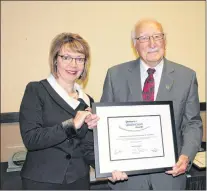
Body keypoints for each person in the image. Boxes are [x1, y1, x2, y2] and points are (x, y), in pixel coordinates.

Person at [101, 19, 203, 190]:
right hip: (127, 179)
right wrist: (108, 162)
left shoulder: (187, 76)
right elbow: (105, 126)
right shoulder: (115, 75)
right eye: (144, 38)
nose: (152, 43)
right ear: (135, 44)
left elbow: (192, 123)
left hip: (169, 177)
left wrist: (186, 156)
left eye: (157, 36)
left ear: (165, 40)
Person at [19, 32, 99, 190]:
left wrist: (107, 169)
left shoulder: (87, 100)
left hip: (79, 181)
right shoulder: (36, 90)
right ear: (55, 60)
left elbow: (87, 147)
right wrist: (72, 124)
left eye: (79, 59)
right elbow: (31, 139)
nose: (73, 64)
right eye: (66, 57)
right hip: (42, 182)